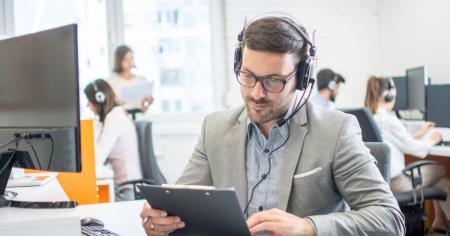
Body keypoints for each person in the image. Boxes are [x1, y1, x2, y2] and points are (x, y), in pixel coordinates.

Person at [140, 15, 404, 236]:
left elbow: (390, 219)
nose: (256, 93)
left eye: (273, 81)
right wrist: (162, 220)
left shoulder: (335, 131)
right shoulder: (215, 129)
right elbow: (181, 205)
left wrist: (309, 227)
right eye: (248, 76)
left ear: (302, 79)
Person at [365, 76, 450, 234]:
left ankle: (439, 223)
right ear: (388, 96)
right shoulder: (389, 120)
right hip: (397, 183)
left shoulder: (369, 117)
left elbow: (398, 141)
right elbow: (417, 150)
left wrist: (419, 134)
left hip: (380, 182)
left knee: (441, 183)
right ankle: (440, 222)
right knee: (441, 169)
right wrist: (432, 139)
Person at [84, 79, 142, 201]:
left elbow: (97, 159)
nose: (87, 104)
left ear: (100, 98)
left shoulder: (114, 118)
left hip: (127, 191)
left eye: (89, 100)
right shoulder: (114, 115)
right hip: (123, 187)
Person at [107, 45, 154, 113]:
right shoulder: (111, 81)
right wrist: (116, 104)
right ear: (119, 61)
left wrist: (148, 103)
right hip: (120, 119)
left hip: (138, 119)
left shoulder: (141, 79)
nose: (130, 63)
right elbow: (108, 109)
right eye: (125, 60)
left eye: (131, 59)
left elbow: (143, 111)